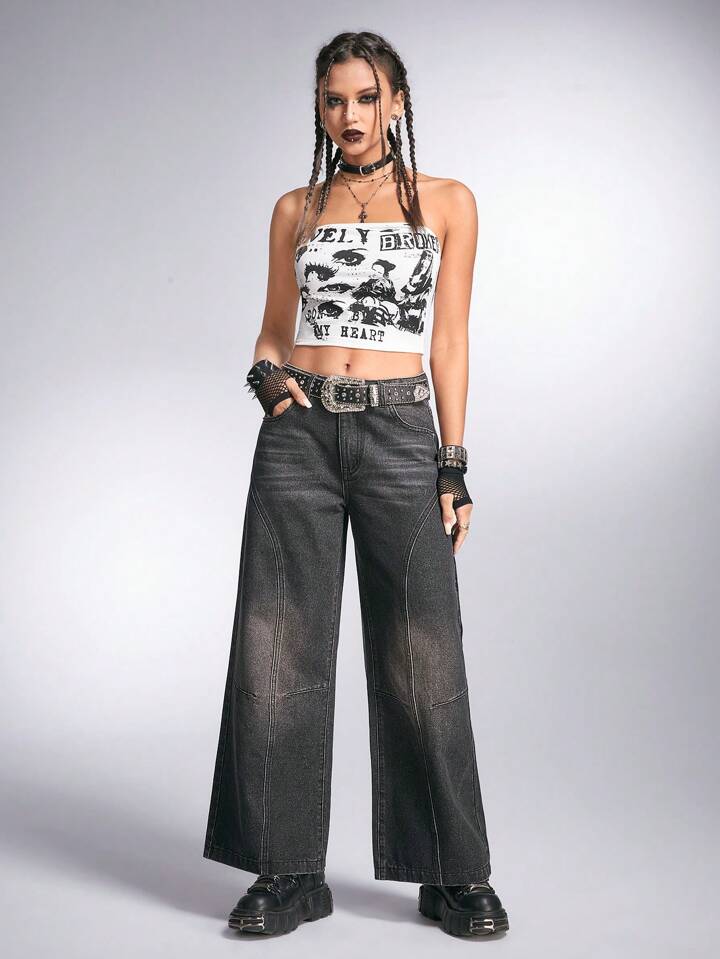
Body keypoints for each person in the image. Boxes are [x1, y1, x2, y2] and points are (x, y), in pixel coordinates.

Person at [202, 30, 510, 939]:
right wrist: (267, 380)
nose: (350, 115)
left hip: (399, 432)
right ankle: (288, 871)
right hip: (298, 440)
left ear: (397, 102)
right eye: (334, 99)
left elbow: (449, 338)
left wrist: (453, 461)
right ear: (319, 106)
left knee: (423, 649)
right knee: (277, 647)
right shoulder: (295, 207)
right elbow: (271, 330)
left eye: (367, 98)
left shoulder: (446, 201)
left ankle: (452, 874)